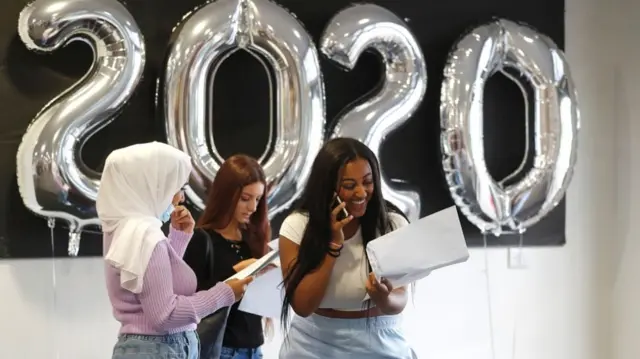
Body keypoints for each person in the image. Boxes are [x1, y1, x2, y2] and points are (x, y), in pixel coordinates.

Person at [97, 142, 254, 359]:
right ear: (152, 184)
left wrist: (178, 240)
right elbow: (165, 314)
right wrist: (225, 293)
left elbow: (155, 285)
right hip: (159, 349)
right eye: (175, 187)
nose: (180, 197)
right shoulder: (144, 234)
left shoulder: (127, 228)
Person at [278, 138, 416, 359]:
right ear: (327, 187)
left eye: (368, 182)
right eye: (350, 186)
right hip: (314, 343)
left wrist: (384, 299)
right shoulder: (298, 226)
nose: (361, 193)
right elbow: (302, 306)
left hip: (380, 341)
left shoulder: (392, 224)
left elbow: (400, 299)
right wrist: (333, 245)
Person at [184, 154, 272, 359]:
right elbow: (191, 303)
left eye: (258, 199)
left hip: (255, 349)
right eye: (245, 199)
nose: (253, 207)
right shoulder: (202, 239)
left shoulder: (254, 238)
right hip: (220, 350)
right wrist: (236, 276)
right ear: (227, 196)